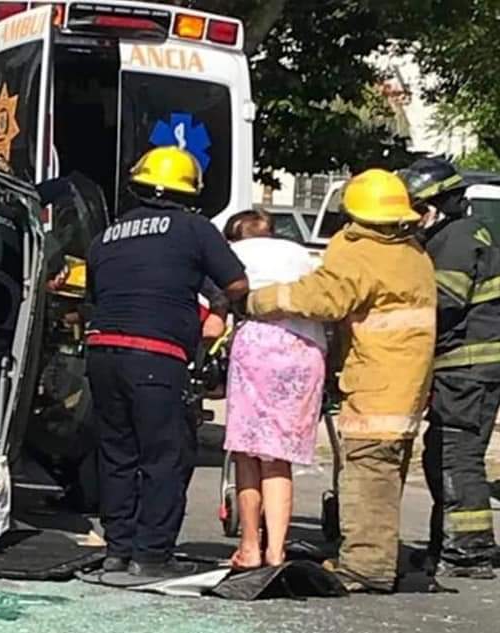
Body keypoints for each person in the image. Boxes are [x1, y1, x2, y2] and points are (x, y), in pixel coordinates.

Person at [246, 169, 435, 592]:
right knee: (386, 474)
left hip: (376, 386)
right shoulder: (412, 253)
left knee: (367, 473)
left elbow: (324, 297)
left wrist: (260, 299)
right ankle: (377, 553)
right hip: (406, 385)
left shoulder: (361, 252)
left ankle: (366, 567)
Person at [85, 146, 248, 578]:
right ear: (190, 191)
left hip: (101, 351)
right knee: (165, 456)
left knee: (117, 454)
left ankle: (117, 549)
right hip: (156, 356)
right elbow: (236, 282)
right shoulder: (195, 229)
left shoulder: (107, 235)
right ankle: (151, 555)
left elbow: (97, 296)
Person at [400, 157, 500, 579]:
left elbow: (446, 297)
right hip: (463, 366)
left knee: (458, 456)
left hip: (468, 366)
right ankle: (449, 545)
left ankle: (471, 552)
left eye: (418, 210)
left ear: (441, 204)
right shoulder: (454, 234)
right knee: (444, 454)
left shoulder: (457, 237)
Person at [221, 209, 327, 570]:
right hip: (303, 350)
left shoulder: (235, 254)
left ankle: (250, 545)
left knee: (247, 452)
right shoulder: (300, 254)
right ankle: (276, 550)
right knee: (278, 456)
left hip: (257, 347)